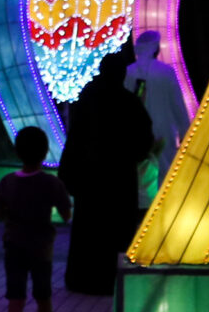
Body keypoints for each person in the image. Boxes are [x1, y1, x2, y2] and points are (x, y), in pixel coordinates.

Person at [61, 61, 154, 295]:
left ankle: (83, 279)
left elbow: (75, 138)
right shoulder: (129, 102)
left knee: (88, 231)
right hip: (119, 178)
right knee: (118, 229)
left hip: (89, 177)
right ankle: (112, 279)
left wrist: (69, 172)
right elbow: (144, 139)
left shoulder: (87, 99)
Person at [0, 126, 72, 312]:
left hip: (14, 246)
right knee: (43, 296)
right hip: (42, 248)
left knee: (15, 298)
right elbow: (66, 213)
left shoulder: (7, 182)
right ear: (44, 152)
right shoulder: (52, 183)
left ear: (18, 152)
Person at [119, 30, 191, 175]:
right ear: (155, 48)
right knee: (164, 174)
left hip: (134, 133)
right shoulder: (167, 72)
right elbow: (177, 104)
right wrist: (185, 131)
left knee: (141, 177)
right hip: (164, 132)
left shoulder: (128, 72)